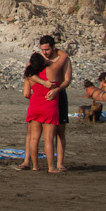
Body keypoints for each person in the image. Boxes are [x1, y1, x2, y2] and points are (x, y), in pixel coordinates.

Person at [18, 53, 59, 172]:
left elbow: (26, 94)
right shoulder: (50, 71)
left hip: (34, 106)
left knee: (34, 139)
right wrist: (47, 61)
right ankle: (51, 167)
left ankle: (35, 166)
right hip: (49, 106)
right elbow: (59, 63)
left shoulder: (29, 76)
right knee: (48, 139)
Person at [39, 35, 72, 172]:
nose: (45, 52)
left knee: (60, 131)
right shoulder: (41, 58)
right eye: (42, 49)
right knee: (42, 132)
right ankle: (35, 162)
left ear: (53, 47)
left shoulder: (63, 59)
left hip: (59, 94)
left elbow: (67, 79)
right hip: (44, 96)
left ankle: (60, 163)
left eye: (47, 49)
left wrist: (57, 90)